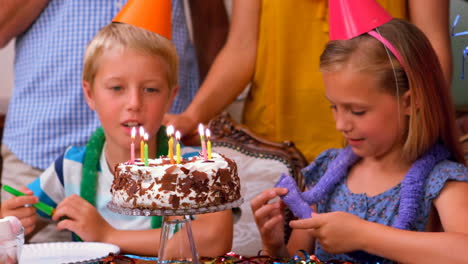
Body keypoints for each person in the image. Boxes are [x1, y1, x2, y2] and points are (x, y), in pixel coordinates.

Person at [250, 4, 468, 263]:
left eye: (357, 111)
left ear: (410, 102)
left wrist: (366, 236)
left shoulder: (441, 180)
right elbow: (300, 259)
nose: (341, 124)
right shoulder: (327, 174)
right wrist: (275, 248)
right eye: (334, 107)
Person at [0, 15, 232, 257]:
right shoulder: (70, 168)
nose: (134, 103)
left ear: (171, 97)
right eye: (117, 88)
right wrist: (12, 223)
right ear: (89, 94)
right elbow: (15, 228)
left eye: (150, 89)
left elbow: (214, 238)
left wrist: (107, 235)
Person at [164, 0, 453, 164]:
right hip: (279, 146)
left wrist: (420, 124)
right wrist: (192, 115)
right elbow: (241, 48)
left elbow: (432, 47)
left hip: (388, 143)